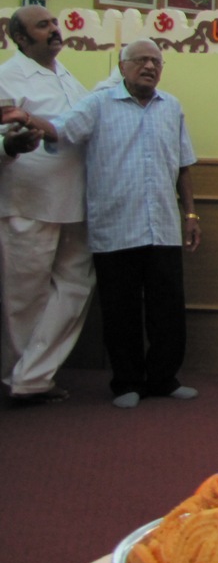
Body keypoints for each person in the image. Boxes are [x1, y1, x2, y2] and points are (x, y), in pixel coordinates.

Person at [30, 39, 200, 409]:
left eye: (156, 61)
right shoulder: (98, 104)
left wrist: (190, 214)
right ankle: (126, 383)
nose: (150, 67)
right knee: (120, 310)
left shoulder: (171, 107)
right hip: (115, 227)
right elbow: (60, 131)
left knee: (167, 310)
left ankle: (164, 379)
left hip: (163, 227)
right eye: (141, 60)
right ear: (122, 67)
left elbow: (183, 165)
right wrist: (26, 120)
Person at [0, 6, 95, 405]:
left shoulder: (68, 74)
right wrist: (10, 145)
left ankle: (29, 376)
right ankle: (24, 381)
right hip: (28, 201)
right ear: (20, 38)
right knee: (25, 298)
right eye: (44, 26)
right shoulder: (7, 77)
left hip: (76, 201)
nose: (55, 31)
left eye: (55, 24)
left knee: (76, 287)